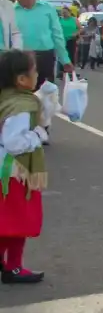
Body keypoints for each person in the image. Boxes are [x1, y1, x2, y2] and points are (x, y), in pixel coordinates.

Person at [0, 49, 47, 284]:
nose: (37, 74)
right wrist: (37, 135)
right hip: (16, 173)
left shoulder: (6, 97)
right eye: (34, 70)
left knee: (6, 219)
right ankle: (14, 266)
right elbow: (14, 142)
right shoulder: (21, 106)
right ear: (21, 79)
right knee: (19, 221)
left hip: (6, 172)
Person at [7, 0, 73, 87]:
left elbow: (57, 36)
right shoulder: (11, 11)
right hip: (20, 59)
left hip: (44, 57)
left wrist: (65, 59)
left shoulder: (47, 9)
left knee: (46, 95)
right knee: (22, 96)